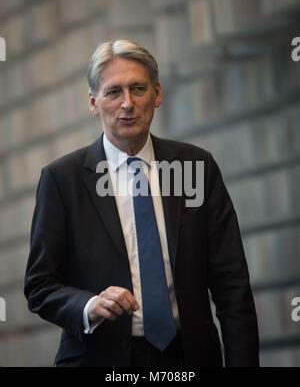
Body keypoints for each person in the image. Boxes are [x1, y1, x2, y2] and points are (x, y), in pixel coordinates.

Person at [24, 40, 259, 367]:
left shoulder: (196, 167)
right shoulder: (62, 180)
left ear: (158, 94)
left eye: (138, 88)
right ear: (93, 103)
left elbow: (232, 284)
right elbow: (40, 286)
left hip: (188, 357)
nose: (128, 103)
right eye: (113, 92)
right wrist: (89, 305)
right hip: (100, 358)